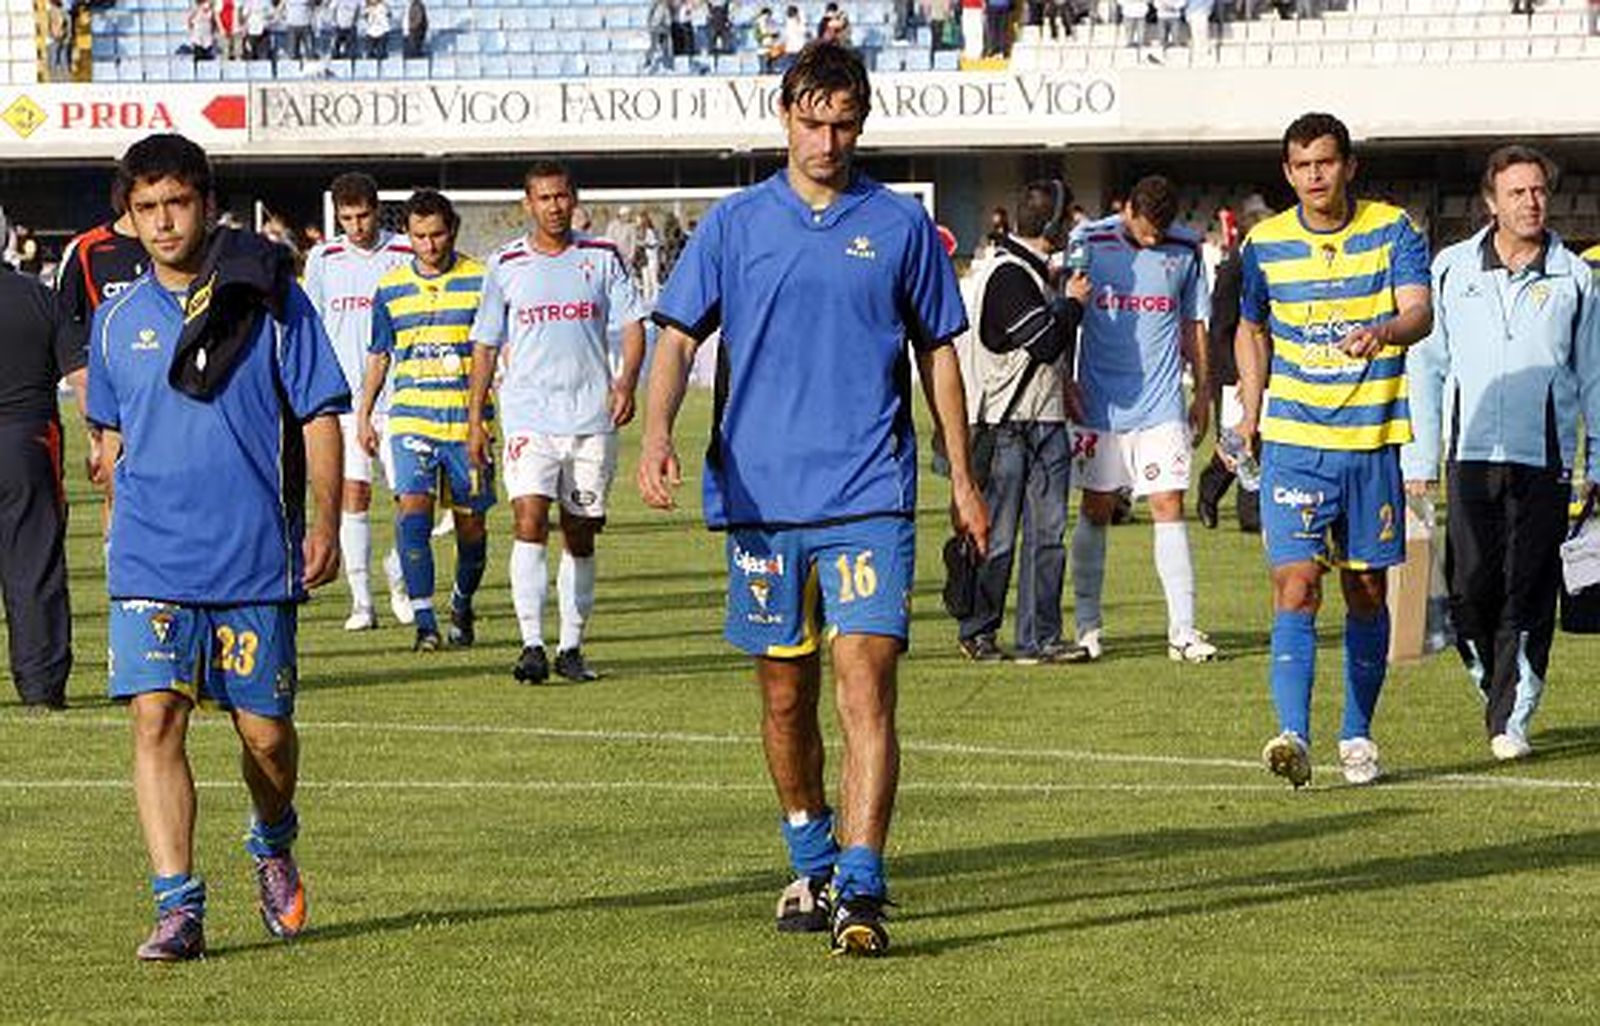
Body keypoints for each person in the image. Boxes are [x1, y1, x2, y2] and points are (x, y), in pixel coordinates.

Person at [638, 42, 987, 957]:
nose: (827, 139)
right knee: (785, 696)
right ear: (784, 116)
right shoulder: (734, 225)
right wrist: (657, 433)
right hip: (761, 502)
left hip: (869, 492)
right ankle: (812, 853)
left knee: (865, 684)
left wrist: (964, 477)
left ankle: (863, 884)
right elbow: (674, 337)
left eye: (843, 123)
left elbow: (939, 352)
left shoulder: (901, 227)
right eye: (811, 120)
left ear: (862, 124)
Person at [85, 132, 346, 961]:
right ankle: (177, 907)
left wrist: (328, 520)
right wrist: (110, 501)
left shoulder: (268, 297)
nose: (164, 222)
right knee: (155, 718)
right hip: (151, 561)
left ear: (206, 202)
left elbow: (320, 414)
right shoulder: (114, 320)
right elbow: (110, 436)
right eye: (147, 207)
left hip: (252, 555)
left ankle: (273, 840)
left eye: (178, 203)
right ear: (128, 218)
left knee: (265, 735)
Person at [1234, 112, 1434, 788]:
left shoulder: (1392, 228)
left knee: (1367, 589)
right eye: (1302, 165)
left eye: (1326, 162)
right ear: (1288, 173)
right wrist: (1250, 412)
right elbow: (1250, 328)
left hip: (1371, 441)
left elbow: (1419, 312)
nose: (1315, 175)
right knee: (1296, 584)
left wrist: (1384, 329)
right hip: (1294, 442)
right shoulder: (1263, 244)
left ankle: (1357, 732)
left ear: (1348, 165)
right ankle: (1293, 733)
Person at [1402, 146, 1600, 761]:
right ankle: (1497, 685)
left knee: (1527, 590)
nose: (1531, 202)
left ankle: (1513, 713)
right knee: (1469, 590)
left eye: (1538, 191)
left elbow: (1594, 375)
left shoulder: (1576, 276)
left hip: (1542, 460)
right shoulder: (1450, 269)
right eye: (1517, 192)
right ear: (1491, 202)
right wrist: (1418, 460)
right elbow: (1426, 368)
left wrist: (1597, 461)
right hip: (1466, 456)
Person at [467, 161, 646, 685]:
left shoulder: (602, 257)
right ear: (528, 204)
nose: (554, 206)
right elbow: (485, 344)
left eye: (562, 196)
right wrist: (476, 418)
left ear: (575, 200)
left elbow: (633, 324)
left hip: (590, 419)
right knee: (527, 521)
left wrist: (625, 382)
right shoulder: (504, 264)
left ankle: (571, 645)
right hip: (528, 419)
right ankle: (531, 644)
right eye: (544, 198)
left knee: (580, 533)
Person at [1067, 174, 1217, 664]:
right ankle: (1087, 626)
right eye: (1145, 230)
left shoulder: (1187, 249)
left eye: (1160, 232)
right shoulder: (1087, 240)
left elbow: (1195, 324)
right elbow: (1070, 309)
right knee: (1096, 509)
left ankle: (1183, 630)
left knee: (1169, 505)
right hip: (1099, 402)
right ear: (1126, 208)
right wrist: (1066, 377)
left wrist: (1203, 393)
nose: (1152, 240)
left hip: (1161, 405)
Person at [955, 179, 1087, 664]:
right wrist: (1073, 303)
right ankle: (981, 630)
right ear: (1052, 226)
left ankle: (1041, 638)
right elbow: (1045, 342)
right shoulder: (1010, 274)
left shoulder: (1023, 270)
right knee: (1003, 537)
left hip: (1041, 417)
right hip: (1011, 424)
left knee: (1047, 537)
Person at [358, 189, 492, 652]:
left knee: (471, 528)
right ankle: (425, 623)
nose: (430, 245)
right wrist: (364, 414)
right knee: (412, 513)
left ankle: (461, 603)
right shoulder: (391, 288)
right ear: (408, 236)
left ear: (451, 230)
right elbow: (379, 354)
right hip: (411, 420)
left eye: (437, 235)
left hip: (468, 424)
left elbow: (496, 350)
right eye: (420, 236)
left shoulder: (481, 280)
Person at [302, 172, 415, 631]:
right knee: (354, 496)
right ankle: (363, 603)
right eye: (346, 218)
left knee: (413, 500)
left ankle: (401, 577)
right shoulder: (323, 258)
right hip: (344, 402)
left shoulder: (406, 252)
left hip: (405, 395)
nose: (356, 226)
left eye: (363, 215)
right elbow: (310, 323)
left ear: (377, 209)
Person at [0, 209, 82, 713]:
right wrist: (105, 439)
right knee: (34, 565)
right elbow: (84, 379)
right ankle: (42, 685)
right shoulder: (40, 297)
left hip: (24, 431)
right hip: (26, 440)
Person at [1196, 203, 1268, 533]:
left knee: (1258, 436)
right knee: (1241, 438)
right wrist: (1238, 373)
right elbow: (1221, 327)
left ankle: (1241, 504)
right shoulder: (1233, 269)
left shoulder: (1269, 266)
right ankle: (1237, 505)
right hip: (1233, 369)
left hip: (1265, 363)